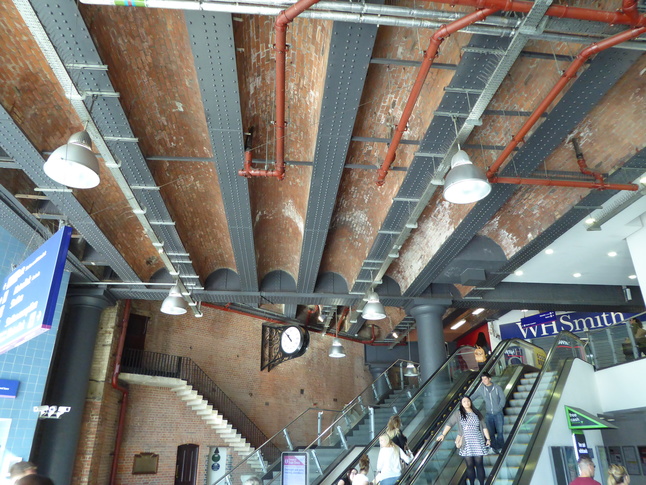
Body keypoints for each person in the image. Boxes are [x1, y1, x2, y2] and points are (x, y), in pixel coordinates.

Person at [436, 396, 491, 485]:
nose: (467, 403)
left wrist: (488, 439)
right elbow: (450, 424)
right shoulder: (458, 413)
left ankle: (482, 483)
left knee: (479, 464)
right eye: (464, 401)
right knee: (469, 465)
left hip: (478, 441)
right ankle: (472, 483)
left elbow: (484, 426)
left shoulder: (476, 412)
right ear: (461, 403)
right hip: (466, 442)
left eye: (468, 401)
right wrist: (443, 434)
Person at [471, 372, 505, 453]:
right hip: (489, 414)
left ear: (490, 379)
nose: (484, 381)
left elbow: (503, 399)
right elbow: (473, 397)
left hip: (498, 414)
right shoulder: (481, 389)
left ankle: (501, 448)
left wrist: (499, 408)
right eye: (482, 379)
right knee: (490, 432)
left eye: (485, 379)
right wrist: (464, 400)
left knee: (500, 432)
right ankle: (493, 448)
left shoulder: (497, 388)